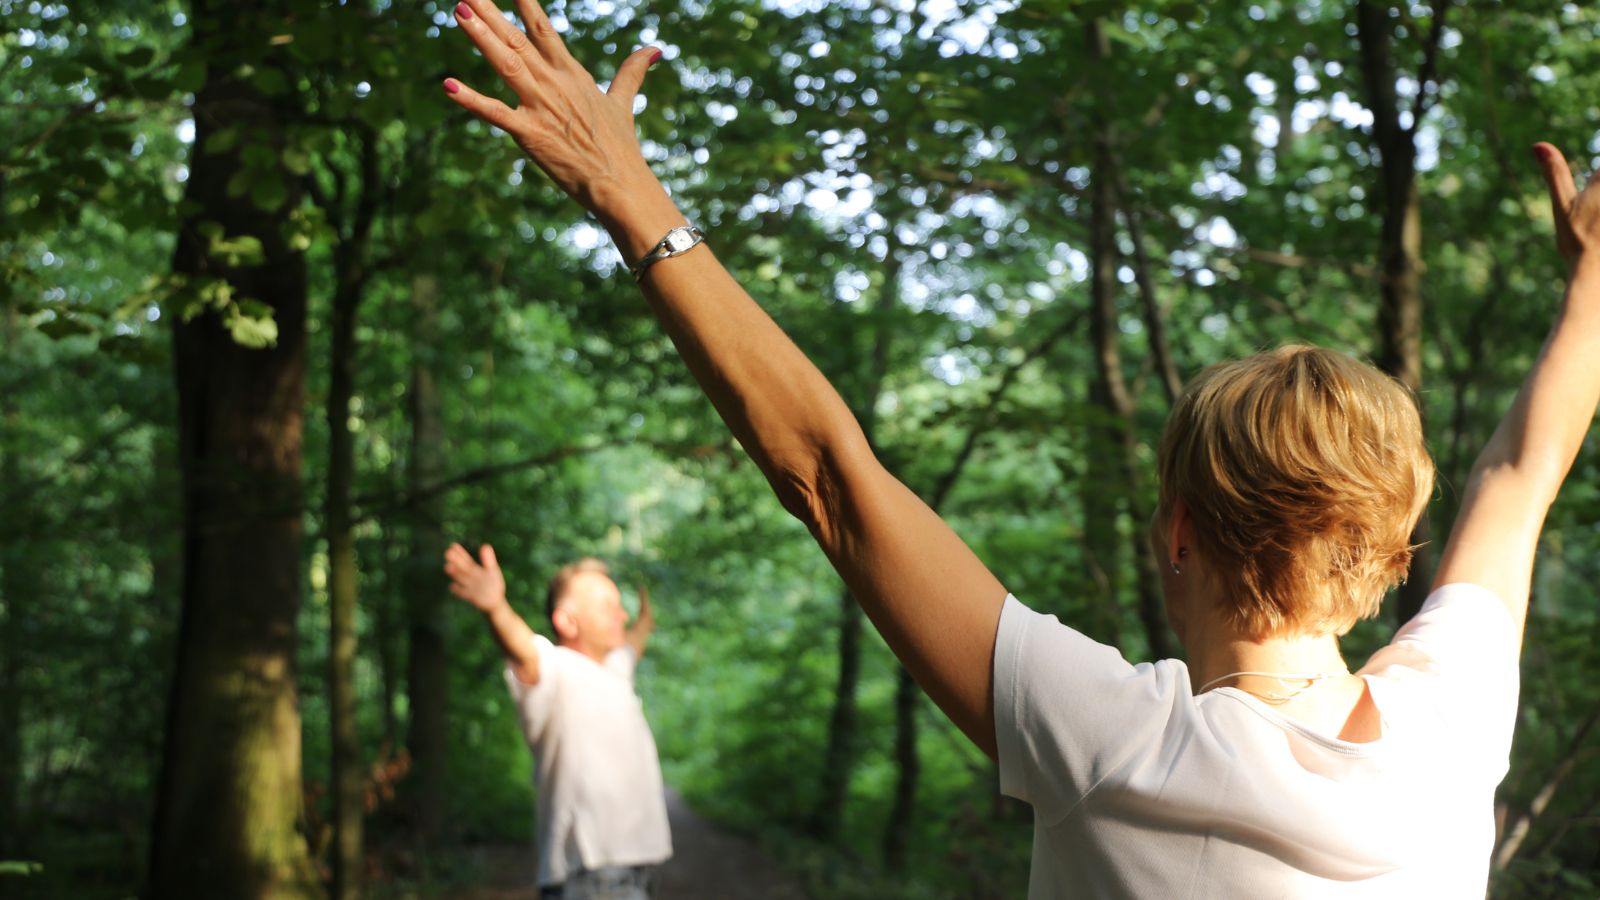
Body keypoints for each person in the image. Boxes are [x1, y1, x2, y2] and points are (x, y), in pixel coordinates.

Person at [439, 1, 1600, 894]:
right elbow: (1520, 471)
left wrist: (624, 190)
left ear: (1180, 531)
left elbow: (833, 480)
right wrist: (1593, 282)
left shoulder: (1110, 740)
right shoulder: (1452, 729)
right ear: (1392, 551)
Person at [444, 544, 671, 899]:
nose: (620, 615)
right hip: (589, 877)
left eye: (620, 606)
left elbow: (636, 638)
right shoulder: (555, 669)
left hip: (639, 868)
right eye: (607, 607)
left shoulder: (616, 669)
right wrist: (495, 608)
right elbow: (523, 648)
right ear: (567, 621)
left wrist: (646, 617)